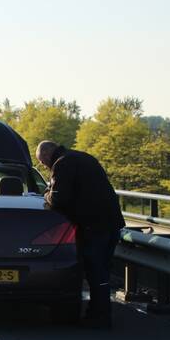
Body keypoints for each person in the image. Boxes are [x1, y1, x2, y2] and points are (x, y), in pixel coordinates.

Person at [36, 140, 125, 328]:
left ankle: (99, 316)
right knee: (103, 270)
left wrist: (46, 195)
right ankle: (99, 312)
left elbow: (59, 199)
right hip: (112, 222)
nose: (44, 166)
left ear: (47, 154)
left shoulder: (62, 164)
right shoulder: (83, 157)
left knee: (95, 271)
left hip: (93, 225)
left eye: (42, 162)